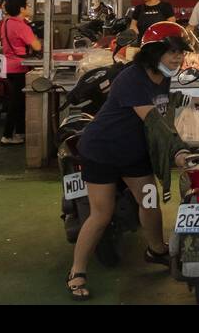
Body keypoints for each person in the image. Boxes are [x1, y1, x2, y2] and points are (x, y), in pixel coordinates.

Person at [66, 21, 189, 299]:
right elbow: (154, 121)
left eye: (181, 52)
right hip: (103, 151)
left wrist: (186, 102)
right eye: (172, 52)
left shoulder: (164, 76)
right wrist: (178, 150)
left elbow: (162, 109)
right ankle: (77, 271)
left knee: (149, 201)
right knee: (101, 214)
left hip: (134, 153)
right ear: (153, 53)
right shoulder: (131, 78)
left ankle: (156, 250)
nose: (178, 57)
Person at [0, 0, 41, 146]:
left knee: (18, 101)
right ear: (21, 8)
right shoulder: (21, 26)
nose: (29, 8)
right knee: (16, 103)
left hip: (7, 66)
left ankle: (20, 132)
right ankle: (7, 136)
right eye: (27, 6)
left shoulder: (7, 22)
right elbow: (37, 46)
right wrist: (35, 37)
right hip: (19, 68)